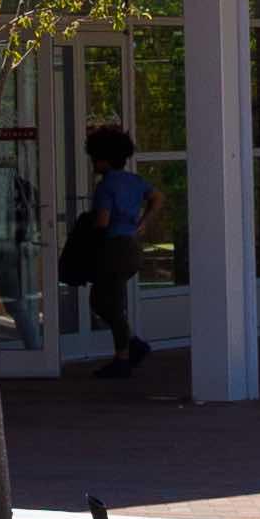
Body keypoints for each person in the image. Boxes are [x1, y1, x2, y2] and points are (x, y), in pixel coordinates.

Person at [67, 119, 161, 387]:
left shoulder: (106, 186)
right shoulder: (134, 181)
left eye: (96, 159)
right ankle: (128, 347)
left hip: (112, 248)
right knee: (110, 301)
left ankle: (125, 354)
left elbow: (103, 222)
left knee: (103, 302)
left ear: (104, 159)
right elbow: (158, 197)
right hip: (131, 247)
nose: (93, 164)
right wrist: (142, 223)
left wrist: (87, 240)